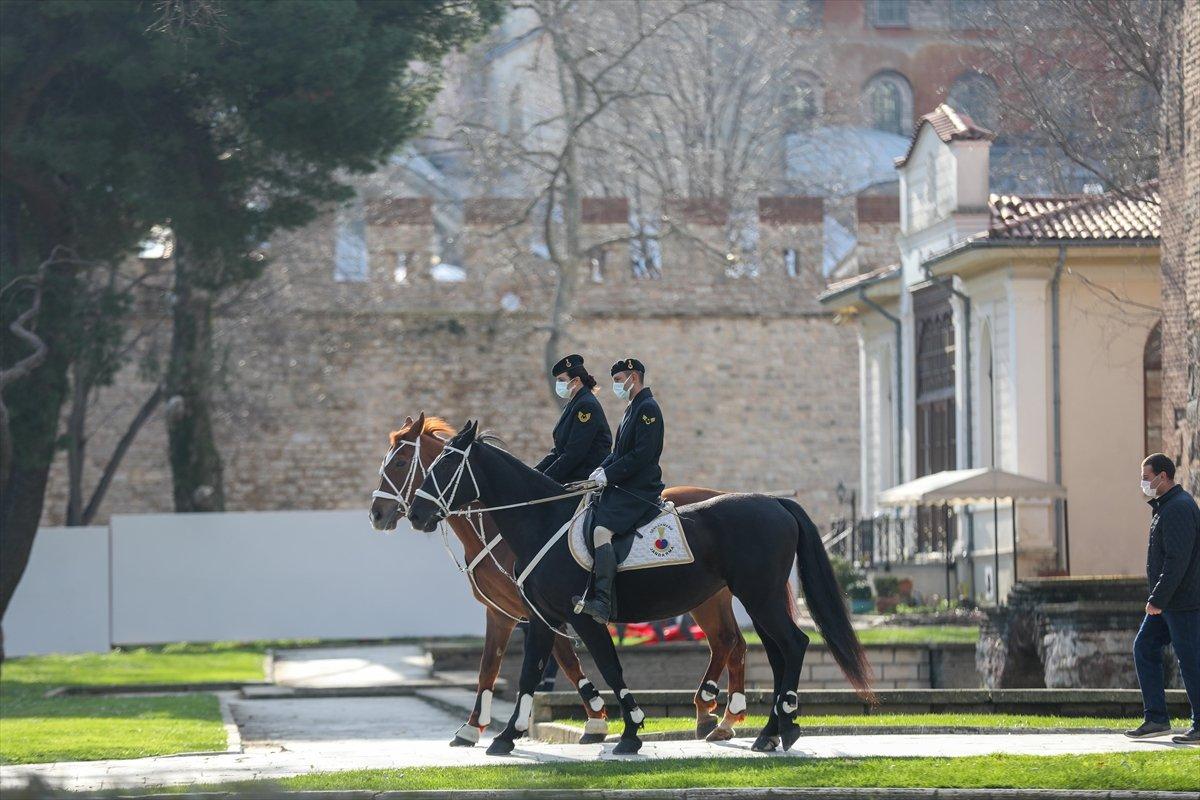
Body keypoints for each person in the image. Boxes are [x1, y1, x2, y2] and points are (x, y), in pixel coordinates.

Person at [577, 357, 665, 624]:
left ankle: (603, 601)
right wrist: (599, 470)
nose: (616, 386)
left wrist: (609, 474)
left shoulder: (647, 408)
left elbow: (642, 455)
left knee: (602, 531)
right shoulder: (631, 409)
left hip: (640, 488)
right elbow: (618, 452)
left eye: (618, 380)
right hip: (624, 484)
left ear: (633, 377)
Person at [1124, 453, 1200, 744]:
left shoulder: (1178, 508)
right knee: (1144, 647)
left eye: (1147, 477)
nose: (1144, 483)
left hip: (1182, 603)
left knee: (1191, 660)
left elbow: (1176, 561)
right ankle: (1156, 718)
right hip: (1169, 603)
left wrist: (1157, 598)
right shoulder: (1166, 507)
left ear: (1163, 477)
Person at [534, 354, 612, 484]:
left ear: (575, 381)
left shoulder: (586, 406)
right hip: (571, 475)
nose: (558, 384)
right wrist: (534, 473)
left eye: (561, 380)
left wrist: (544, 480)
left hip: (584, 480)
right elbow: (558, 451)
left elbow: (574, 453)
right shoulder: (573, 404)